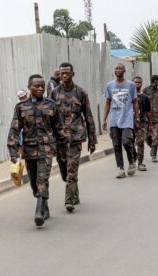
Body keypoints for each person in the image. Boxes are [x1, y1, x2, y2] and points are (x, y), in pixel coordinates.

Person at [7, 74, 67, 227]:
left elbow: (60, 129)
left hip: (46, 149)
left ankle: (39, 211)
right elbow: (15, 129)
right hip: (29, 150)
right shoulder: (21, 107)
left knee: (42, 178)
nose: (40, 88)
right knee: (34, 182)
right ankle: (43, 204)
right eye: (36, 86)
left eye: (42, 86)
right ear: (29, 87)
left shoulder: (51, 105)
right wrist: (13, 152)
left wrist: (63, 150)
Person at [50, 62, 97, 212]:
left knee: (72, 169)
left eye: (67, 73)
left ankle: (68, 201)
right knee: (64, 170)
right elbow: (49, 118)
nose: (64, 75)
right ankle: (74, 193)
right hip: (59, 139)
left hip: (76, 137)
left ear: (72, 74)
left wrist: (92, 139)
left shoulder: (81, 92)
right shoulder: (54, 93)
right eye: (61, 73)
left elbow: (88, 116)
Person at [103, 64, 138, 178]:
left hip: (127, 118)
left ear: (124, 71)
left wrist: (136, 117)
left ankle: (131, 162)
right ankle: (120, 169)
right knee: (116, 145)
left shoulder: (131, 85)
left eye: (120, 68)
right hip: (114, 119)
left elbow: (135, 102)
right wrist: (104, 119)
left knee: (127, 142)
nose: (118, 70)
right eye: (116, 68)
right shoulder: (110, 85)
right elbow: (108, 102)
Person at [132, 76, 151, 171]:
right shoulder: (128, 95)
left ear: (141, 84)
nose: (137, 84)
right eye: (135, 82)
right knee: (129, 143)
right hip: (129, 123)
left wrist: (150, 124)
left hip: (142, 123)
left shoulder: (145, 97)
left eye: (139, 82)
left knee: (140, 142)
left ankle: (140, 163)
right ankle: (133, 157)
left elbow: (148, 112)